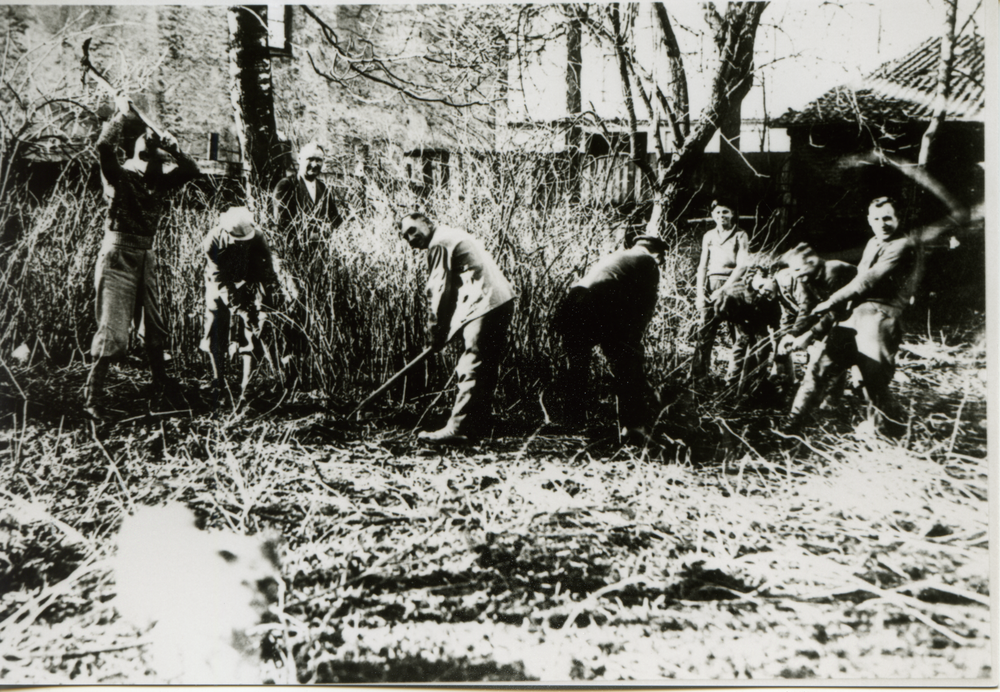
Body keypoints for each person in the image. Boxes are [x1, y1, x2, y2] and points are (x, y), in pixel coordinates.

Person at [83, 94, 200, 421]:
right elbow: (104, 149)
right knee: (114, 329)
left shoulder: (160, 179)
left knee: (154, 326)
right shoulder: (121, 176)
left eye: (160, 160)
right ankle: (93, 394)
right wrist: (120, 116)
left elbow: (192, 169)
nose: (156, 165)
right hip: (118, 255)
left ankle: (160, 385)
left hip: (145, 256)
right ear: (141, 155)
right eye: (153, 158)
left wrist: (174, 147)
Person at [783, 197, 923, 435]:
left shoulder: (902, 246)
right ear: (869, 220)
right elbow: (855, 289)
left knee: (873, 383)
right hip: (852, 317)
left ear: (898, 218)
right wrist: (812, 332)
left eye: (888, 218)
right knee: (818, 368)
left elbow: (866, 281)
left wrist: (830, 301)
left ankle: (892, 430)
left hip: (880, 318)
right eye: (877, 219)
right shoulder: (872, 243)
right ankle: (791, 426)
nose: (883, 224)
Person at [399, 212, 515, 443]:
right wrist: (442, 332)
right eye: (405, 237)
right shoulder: (452, 235)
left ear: (427, 222)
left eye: (413, 230)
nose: (410, 239)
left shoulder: (439, 243)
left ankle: (459, 427)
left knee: (471, 364)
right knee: (486, 366)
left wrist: (434, 332)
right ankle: (478, 424)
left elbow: (439, 290)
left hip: (484, 303)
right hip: (501, 301)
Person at [551, 234, 667, 443]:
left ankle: (572, 423)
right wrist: (634, 339)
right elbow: (646, 305)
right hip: (599, 304)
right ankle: (633, 428)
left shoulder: (619, 256)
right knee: (626, 363)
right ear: (658, 255)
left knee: (578, 364)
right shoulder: (649, 261)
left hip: (572, 302)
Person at [200, 206, 298, 405]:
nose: (243, 245)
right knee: (216, 324)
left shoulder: (258, 237)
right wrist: (241, 309)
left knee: (253, 330)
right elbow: (220, 280)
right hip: (219, 282)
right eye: (238, 242)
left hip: (248, 278)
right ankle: (219, 382)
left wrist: (262, 309)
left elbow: (267, 271)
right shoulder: (212, 241)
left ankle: (247, 387)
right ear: (227, 233)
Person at [690, 198, 751, 381]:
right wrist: (700, 293)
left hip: (733, 285)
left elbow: (742, 266)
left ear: (733, 214)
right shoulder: (708, 236)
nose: (721, 216)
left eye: (725, 212)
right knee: (705, 331)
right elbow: (702, 266)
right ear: (712, 215)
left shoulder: (741, 235)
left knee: (739, 334)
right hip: (710, 285)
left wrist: (724, 289)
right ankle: (698, 377)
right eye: (717, 212)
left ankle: (736, 377)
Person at [709, 265, 781, 395]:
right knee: (741, 346)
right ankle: (732, 383)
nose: (762, 290)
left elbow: (775, 319)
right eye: (759, 287)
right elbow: (722, 312)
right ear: (751, 277)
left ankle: (759, 382)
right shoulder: (735, 291)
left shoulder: (771, 290)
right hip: (742, 319)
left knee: (762, 347)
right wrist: (741, 321)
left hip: (762, 319)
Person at [273, 141, 344, 238]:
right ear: (299, 159)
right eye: (310, 159)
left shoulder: (323, 188)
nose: (314, 164)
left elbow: (335, 220)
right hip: (294, 248)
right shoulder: (286, 185)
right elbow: (281, 225)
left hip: (321, 249)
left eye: (318, 160)